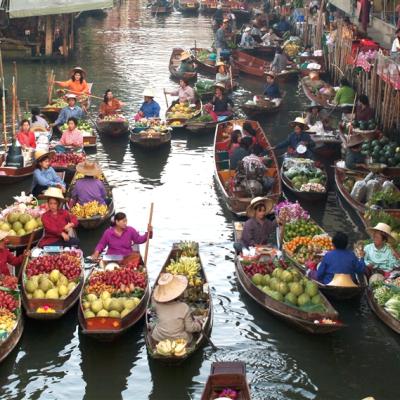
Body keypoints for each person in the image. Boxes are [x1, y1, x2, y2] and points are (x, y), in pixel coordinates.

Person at [151, 273, 203, 343]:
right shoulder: (183, 307)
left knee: (155, 324)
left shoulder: (156, 303)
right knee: (192, 330)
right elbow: (190, 328)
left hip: (159, 337)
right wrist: (199, 325)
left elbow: (154, 301)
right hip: (179, 340)